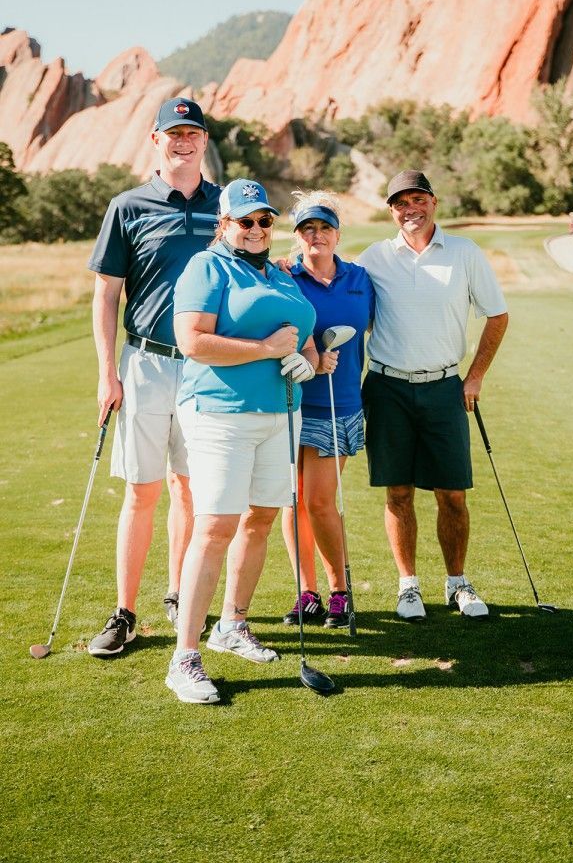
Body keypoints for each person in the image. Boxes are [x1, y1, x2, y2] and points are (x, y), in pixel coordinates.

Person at [165, 178, 318, 704]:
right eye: (245, 221)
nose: (256, 229)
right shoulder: (206, 268)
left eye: (265, 221)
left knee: (261, 519)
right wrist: (263, 349)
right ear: (223, 223)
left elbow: (306, 339)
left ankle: (232, 625)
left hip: (279, 413)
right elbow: (193, 342)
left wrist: (308, 361)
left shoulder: (280, 274)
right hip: (221, 414)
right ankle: (184, 657)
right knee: (215, 526)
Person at [87, 97, 221, 656]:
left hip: (206, 366)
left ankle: (178, 594)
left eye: (193, 132)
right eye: (174, 133)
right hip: (144, 363)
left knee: (190, 490)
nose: (184, 141)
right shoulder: (128, 205)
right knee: (141, 493)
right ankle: (125, 612)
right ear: (156, 139)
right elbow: (106, 294)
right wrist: (105, 374)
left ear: (204, 140)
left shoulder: (227, 206)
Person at [359, 169, 508, 620]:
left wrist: (475, 375)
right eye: (401, 203)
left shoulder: (464, 253)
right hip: (386, 388)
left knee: (453, 494)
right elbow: (336, 294)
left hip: (445, 387)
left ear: (433, 202)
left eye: (418, 199)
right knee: (398, 492)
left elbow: (496, 316)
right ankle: (408, 587)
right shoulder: (373, 258)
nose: (411, 209)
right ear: (391, 210)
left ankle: (457, 583)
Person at [280, 191, 374, 628]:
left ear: (338, 233)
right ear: (297, 235)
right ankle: (307, 592)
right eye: (307, 228)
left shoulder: (359, 279)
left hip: (338, 405)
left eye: (324, 228)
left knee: (318, 502)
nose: (316, 235)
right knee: (290, 502)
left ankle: (339, 591)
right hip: (289, 404)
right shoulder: (283, 276)